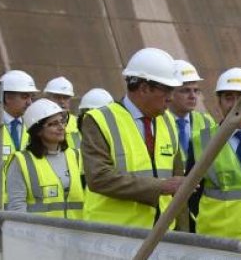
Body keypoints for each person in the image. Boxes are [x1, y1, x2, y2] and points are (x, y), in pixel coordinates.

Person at [80, 47, 188, 229]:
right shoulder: (99, 120)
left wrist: (183, 235)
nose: (171, 98)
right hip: (113, 234)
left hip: (161, 235)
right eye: (167, 90)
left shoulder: (168, 121)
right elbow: (99, 178)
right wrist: (160, 187)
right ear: (144, 88)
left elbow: (177, 184)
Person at [190, 67, 241, 242]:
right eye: (229, 97)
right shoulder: (201, 141)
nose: (236, 104)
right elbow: (190, 196)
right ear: (218, 101)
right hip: (218, 243)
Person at [5, 98, 83, 219]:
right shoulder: (21, 161)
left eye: (62, 121)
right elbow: (16, 207)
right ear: (38, 131)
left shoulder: (77, 156)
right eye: (53, 124)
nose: (61, 127)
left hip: (77, 234)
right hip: (38, 236)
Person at [166, 59, 213, 231]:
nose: (193, 96)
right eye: (185, 91)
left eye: (196, 91)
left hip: (198, 202)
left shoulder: (206, 122)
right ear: (170, 93)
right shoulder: (159, 122)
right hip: (169, 201)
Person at [0, 70, 39, 208]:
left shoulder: (34, 126)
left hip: (22, 208)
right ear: (8, 97)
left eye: (31, 97)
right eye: (25, 97)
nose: (30, 102)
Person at [43, 76, 78, 149]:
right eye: (57, 97)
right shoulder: (38, 124)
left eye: (66, 97)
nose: (62, 101)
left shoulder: (80, 124)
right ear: (47, 98)